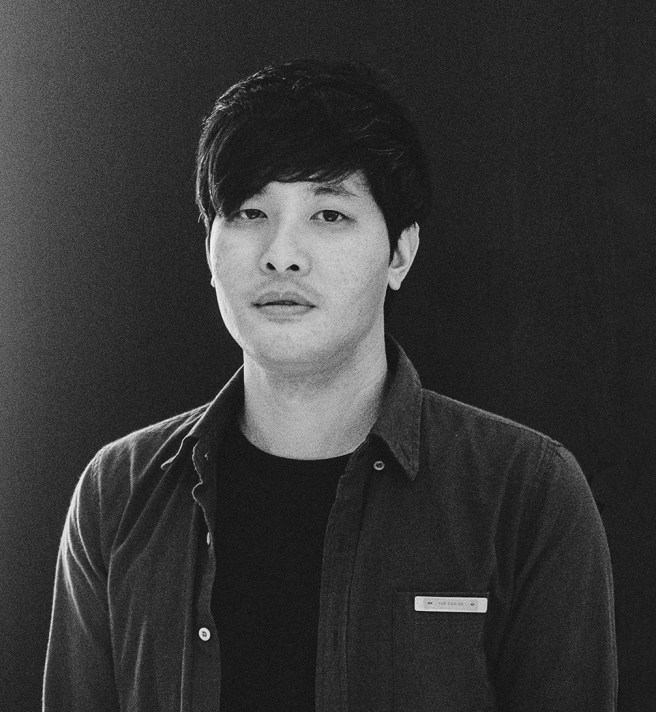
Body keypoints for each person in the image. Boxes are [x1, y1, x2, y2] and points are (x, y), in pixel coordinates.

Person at [43, 59, 617, 711]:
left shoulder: (526, 494)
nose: (281, 254)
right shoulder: (118, 494)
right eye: (250, 211)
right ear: (209, 249)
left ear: (399, 252)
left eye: (329, 214)